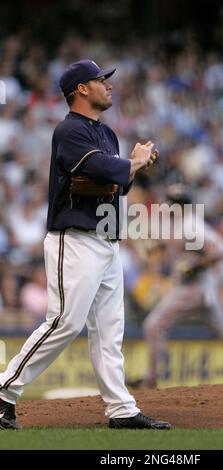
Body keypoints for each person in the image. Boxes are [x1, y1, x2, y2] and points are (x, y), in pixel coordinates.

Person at [0, 59, 171, 430]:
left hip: (107, 242)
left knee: (110, 330)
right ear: (81, 89)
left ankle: (121, 409)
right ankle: (3, 393)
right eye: (100, 80)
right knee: (64, 321)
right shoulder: (69, 131)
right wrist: (130, 164)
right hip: (73, 240)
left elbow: (119, 183)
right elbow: (110, 172)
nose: (108, 85)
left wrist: (131, 167)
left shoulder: (107, 134)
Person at [128, 184, 223, 389]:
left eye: (173, 204)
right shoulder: (175, 224)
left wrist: (198, 264)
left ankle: (151, 378)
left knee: (153, 325)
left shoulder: (192, 225)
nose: (168, 206)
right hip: (201, 290)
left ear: (184, 206)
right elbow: (166, 245)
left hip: (193, 288)